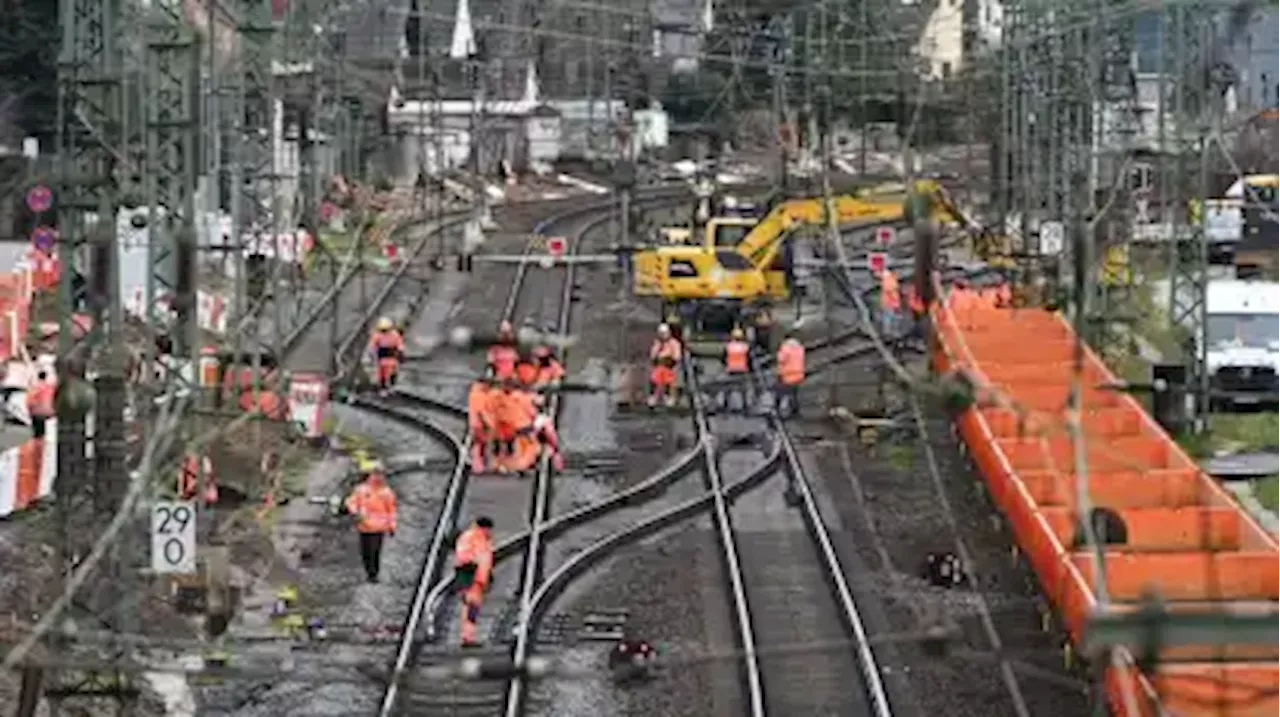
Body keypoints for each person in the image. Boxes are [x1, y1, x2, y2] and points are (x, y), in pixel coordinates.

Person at [344, 462, 398, 583]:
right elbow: (351, 502)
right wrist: (355, 512)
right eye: (376, 474)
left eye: (380, 475)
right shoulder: (361, 490)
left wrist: (392, 525)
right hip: (364, 526)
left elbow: (391, 510)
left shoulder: (387, 493)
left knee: (375, 551)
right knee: (366, 551)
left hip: (378, 528)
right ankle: (370, 572)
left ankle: (373, 574)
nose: (378, 477)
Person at [454, 516, 495, 647]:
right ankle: (467, 637)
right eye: (489, 530)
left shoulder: (483, 539)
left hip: (478, 578)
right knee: (471, 607)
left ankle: (468, 636)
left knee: (473, 608)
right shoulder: (471, 537)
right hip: (470, 576)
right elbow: (464, 555)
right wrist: (472, 564)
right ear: (484, 528)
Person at [648, 323, 682, 408]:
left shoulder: (674, 343)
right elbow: (653, 355)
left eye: (664, 333)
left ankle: (670, 398)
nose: (663, 335)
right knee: (654, 380)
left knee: (669, 382)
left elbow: (677, 356)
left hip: (669, 365)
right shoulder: (657, 343)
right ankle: (654, 398)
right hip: (659, 365)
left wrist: (672, 363)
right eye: (661, 333)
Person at [367, 318, 404, 391]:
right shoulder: (377, 335)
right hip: (381, 358)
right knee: (381, 374)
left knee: (392, 371)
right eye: (383, 330)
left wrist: (400, 354)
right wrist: (372, 355)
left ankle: (391, 385)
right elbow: (372, 346)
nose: (384, 332)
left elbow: (400, 346)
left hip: (391, 357)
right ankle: (383, 387)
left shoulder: (395, 335)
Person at [467, 378, 495, 472]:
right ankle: (478, 465)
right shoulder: (480, 395)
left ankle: (477, 465)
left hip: (475, 423)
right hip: (481, 424)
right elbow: (481, 412)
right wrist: (489, 423)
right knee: (481, 445)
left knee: (478, 444)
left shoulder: (473, 394)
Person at [775, 332, 806, 419]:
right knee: (794, 393)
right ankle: (795, 411)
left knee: (781, 392)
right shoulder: (800, 348)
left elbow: (780, 359)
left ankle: (778, 410)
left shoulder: (785, 348)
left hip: (787, 374)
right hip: (798, 374)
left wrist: (780, 350)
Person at [720, 327, 752, 412]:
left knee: (728, 388)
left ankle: (725, 404)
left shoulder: (728, 347)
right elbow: (749, 359)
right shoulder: (745, 347)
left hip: (731, 369)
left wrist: (726, 365)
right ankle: (745, 405)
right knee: (743, 389)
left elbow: (723, 359)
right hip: (742, 369)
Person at [26, 370, 55, 439]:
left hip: (37, 411)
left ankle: (38, 441)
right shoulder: (50, 387)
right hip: (49, 411)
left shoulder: (36, 387)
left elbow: (30, 399)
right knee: (43, 430)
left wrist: (29, 409)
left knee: (37, 432)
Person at [879, 268, 902, 335]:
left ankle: (888, 331)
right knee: (890, 317)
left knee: (888, 316)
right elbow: (890, 290)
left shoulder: (887, 278)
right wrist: (896, 303)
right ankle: (890, 332)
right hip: (890, 303)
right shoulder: (889, 279)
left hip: (887, 302)